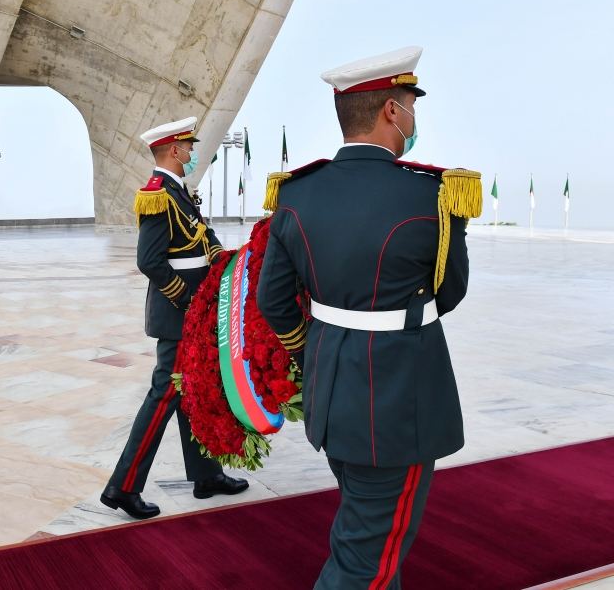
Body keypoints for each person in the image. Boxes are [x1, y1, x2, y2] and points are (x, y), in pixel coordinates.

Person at [256, 47, 481, 589]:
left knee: (371, 536)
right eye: (409, 106)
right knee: (365, 566)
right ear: (391, 113)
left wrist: (312, 350)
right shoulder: (432, 194)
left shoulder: (295, 194)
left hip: (331, 392)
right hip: (396, 405)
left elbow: (273, 300)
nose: (413, 119)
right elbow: (449, 294)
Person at [101, 116, 249, 520]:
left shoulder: (179, 191)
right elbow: (149, 261)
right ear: (173, 150)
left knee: (190, 390)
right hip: (178, 313)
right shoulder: (156, 195)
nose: (193, 152)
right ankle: (123, 486)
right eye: (189, 146)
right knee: (165, 393)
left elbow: (201, 235)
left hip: (192, 312)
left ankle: (205, 475)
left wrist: (222, 259)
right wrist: (189, 298)